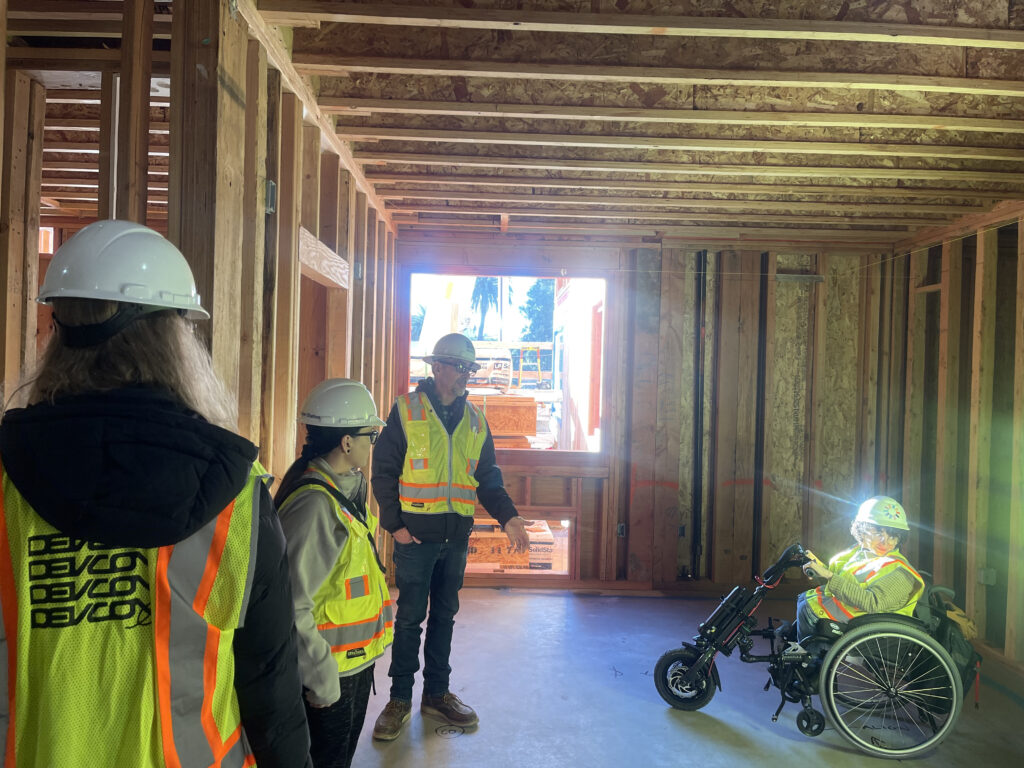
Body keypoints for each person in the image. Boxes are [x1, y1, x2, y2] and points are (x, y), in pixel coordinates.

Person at [0, 220, 311, 767]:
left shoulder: (6, 483)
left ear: (59, 330)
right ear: (175, 338)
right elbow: (270, 682)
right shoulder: (235, 495)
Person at [371, 333, 530, 741]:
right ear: (437, 367)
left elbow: (488, 479)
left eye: (470, 370)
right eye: (460, 368)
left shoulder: (476, 420)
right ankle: (400, 699)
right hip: (415, 540)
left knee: (444, 618)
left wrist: (509, 517)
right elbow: (384, 473)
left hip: (455, 540)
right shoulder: (405, 410)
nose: (466, 376)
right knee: (409, 620)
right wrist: (397, 528)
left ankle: (436, 694)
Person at [275, 378, 393, 768]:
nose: (371, 444)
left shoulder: (343, 489)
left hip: (352, 665)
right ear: (346, 442)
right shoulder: (314, 507)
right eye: (369, 436)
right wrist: (321, 674)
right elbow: (291, 606)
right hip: (330, 673)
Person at [797, 495, 925, 641]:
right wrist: (820, 568)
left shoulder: (900, 572)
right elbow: (846, 581)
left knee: (807, 610)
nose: (885, 541)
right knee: (804, 602)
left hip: (867, 629)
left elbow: (872, 602)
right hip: (848, 616)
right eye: (878, 533)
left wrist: (828, 576)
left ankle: (808, 660)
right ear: (862, 530)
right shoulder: (864, 553)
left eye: (892, 536)